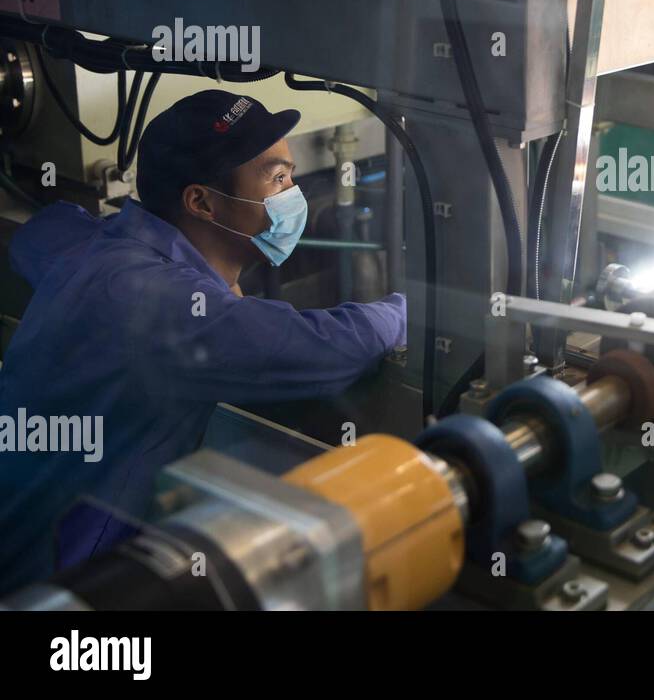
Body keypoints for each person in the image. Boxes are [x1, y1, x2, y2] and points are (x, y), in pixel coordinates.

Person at [0, 90, 406, 592]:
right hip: (54, 583)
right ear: (202, 202)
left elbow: (38, 234)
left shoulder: (104, 249)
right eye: (277, 178)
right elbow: (329, 349)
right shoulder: (163, 306)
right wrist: (409, 313)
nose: (293, 193)